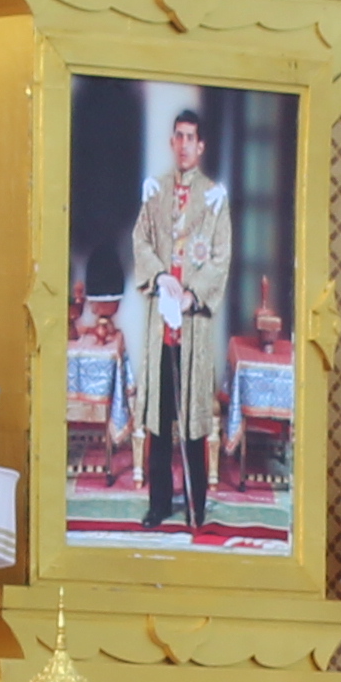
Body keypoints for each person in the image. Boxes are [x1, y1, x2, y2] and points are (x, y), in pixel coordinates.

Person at [127, 103, 231, 531]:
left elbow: (221, 257)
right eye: (178, 137)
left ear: (200, 145)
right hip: (160, 323)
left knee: (191, 418)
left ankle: (195, 505)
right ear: (171, 143)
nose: (184, 145)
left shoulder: (214, 198)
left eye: (192, 137)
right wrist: (160, 279)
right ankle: (158, 503)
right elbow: (141, 241)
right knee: (158, 417)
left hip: (193, 323)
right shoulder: (156, 192)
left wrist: (191, 295)